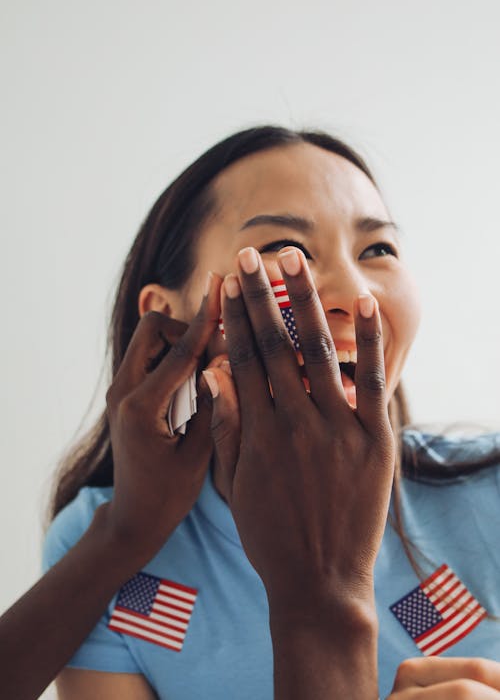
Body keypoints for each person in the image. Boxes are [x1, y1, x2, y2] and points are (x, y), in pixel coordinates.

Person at [31, 126, 500, 699]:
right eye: (287, 250)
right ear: (168, 319)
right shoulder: (106, 555)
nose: (356, 295)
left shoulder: (489, 499)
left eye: (378, 249)